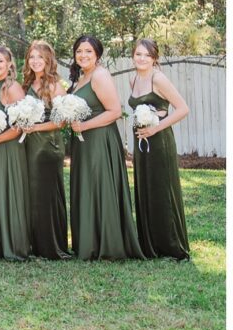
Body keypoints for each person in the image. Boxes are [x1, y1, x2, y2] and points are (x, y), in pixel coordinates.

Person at [68, 35, 144, 260]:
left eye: (88, 51)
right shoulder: (83, 77)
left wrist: (84, 125)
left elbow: (114, 112)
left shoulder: (100, 75)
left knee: (100, 186)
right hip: (84, 141)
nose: (83, 55)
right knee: (88, 187)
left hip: (100, 140)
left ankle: (108, 243)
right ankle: (89, 241)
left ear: (98, 54)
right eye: (79, 51)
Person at [129, 38, 191, 260]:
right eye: (138, 54)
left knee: (162, 190)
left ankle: (172, 246)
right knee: (145, 188)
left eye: (146, 55)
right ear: (133, 56)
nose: (142, 58)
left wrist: (156, 128)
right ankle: (150, 244)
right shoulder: (133, 78)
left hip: (159, 140)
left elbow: (183, 108)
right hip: (140, 142)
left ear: (154, 58)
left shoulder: (159, 78)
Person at [20, 40, 70, 259]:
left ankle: (51, 246)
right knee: (32, 194)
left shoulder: (55, 85)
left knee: (46, 194)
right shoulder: (27, 84)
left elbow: (61, 121)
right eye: (32, 57)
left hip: (47, 145)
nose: (35, 61)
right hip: (29, 145)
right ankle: (35, 243)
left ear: (49, 60)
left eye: (40, 57)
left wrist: (35, 127)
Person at [0, 45, 30, 261]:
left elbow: (21, 125)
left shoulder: (12, 88)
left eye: (0, 61)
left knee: (10, 192)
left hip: (9, 148)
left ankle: (15, 245)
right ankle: (0, 244)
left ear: (10, 64)